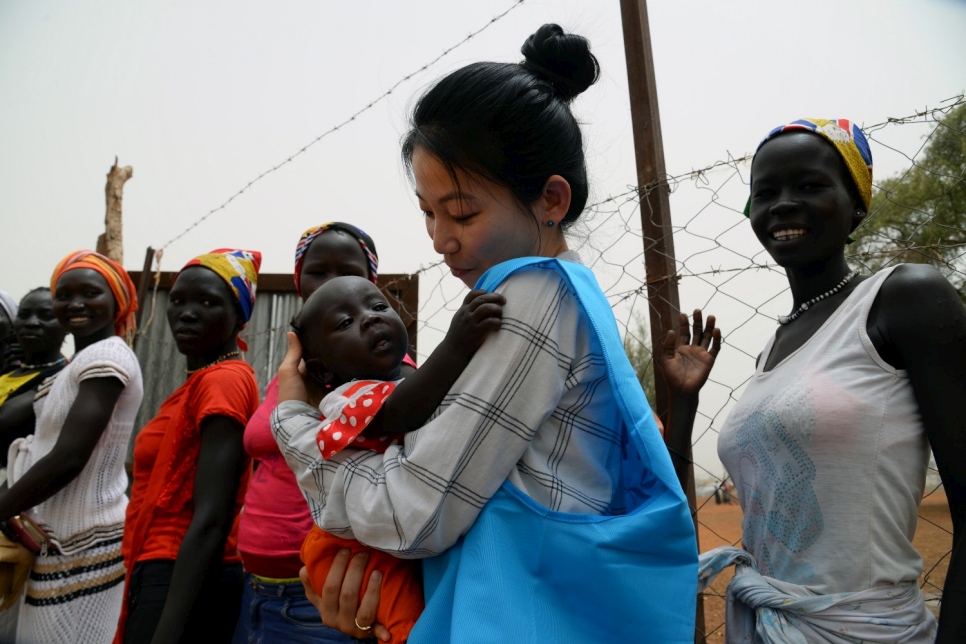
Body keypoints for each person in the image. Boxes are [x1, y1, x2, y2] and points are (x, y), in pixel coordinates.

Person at [277, 24, 698, 643]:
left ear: (551, 199)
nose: (441, 238)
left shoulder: (531, 295)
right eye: (427, 212)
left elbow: (414, 513)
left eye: (462, 212)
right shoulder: (563, 293)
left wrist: (298, 429)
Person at [663, 119, 966, 642]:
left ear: (858, 204)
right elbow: (669, 503)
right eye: (766, 192)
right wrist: (684, 406)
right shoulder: (771, 350)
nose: (782, 203)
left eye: (809, 186)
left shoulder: (902, 298)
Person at [277, 276, 503, 644]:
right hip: (353, 552)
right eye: (345, 323)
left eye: (378, 306)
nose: (368, 318)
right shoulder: (346, 398)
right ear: (323, 372)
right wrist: (456, 345)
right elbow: (400, 413)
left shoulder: (411, 378)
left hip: (390, 540)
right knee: (408, 627)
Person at [232, 223, 413, 644]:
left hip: (327, 593)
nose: (329, 282)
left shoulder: (375, 365)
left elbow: (398, 415)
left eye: (346, 270)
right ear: (299, 280)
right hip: (257, 585)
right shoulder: (306, 366)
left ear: (370, 281)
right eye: (318, 271)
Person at [116, 249, 262, 644]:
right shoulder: (202, 382)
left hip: (181, 575)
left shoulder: (223, 382)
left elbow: (212, 516)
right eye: (178, 300)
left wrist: (168, 629)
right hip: (166, 570)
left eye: (209, 302)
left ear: (239, 316)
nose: (187, 312)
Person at [1, 250, 143, 643]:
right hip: (59, 541)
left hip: (84, 542)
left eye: (90, 293)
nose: (75, 303)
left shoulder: (108, 356)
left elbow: (68, 458)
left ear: (117, 300)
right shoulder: (76, 364)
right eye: (64, 294)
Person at [0, 288, 69, 477]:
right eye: (23, 315)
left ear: (67, 325)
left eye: (47, 316)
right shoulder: (8, 371)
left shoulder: (59, 378)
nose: (31, 323)